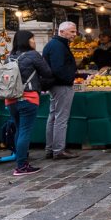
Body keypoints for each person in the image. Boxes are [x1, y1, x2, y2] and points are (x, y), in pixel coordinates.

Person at [6, 31, 52, 176]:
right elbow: (47, 73)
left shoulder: (9, 57)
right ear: (28, 40)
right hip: (28, 97)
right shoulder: (33, 55)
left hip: (11, 99)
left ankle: (20, 159)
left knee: (19, 129)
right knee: (25, 131)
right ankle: (21, 166)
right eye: (33, 38)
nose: (34, 41)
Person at [42, 21, 79, 160]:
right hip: (61, 85)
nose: (75, 34)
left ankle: (50, 148)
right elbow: (58, 68)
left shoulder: (55, 44)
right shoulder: (58, 46)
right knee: (61, 118)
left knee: (53, 116)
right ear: (62, 32)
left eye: (75, 32)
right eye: (72, 32)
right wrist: (69, 78)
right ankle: (58, 150)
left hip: (55, 85)